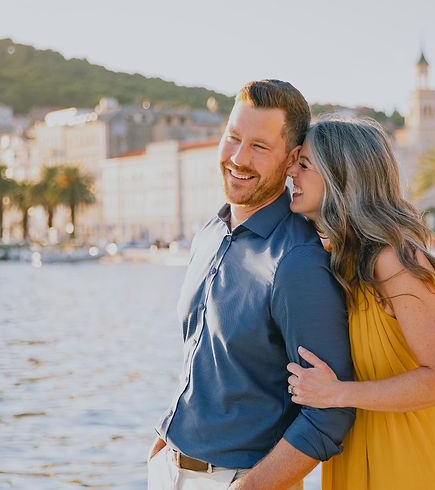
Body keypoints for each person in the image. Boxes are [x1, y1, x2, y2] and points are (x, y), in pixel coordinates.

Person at [147, 80, 355, 490]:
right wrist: (164, 442)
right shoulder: (210, 232)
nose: (239, 158)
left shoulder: (297, 261)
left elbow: (330, 413)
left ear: (292, 158)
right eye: (233, 138)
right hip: (170, 471)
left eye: (259, 146)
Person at [283, 118, 435, 489]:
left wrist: (335, 393)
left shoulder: (393, 259)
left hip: (415, 465)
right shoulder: (337, 260)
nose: (290, 171)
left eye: (304, 164)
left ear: (343, 175)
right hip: (358, 460)